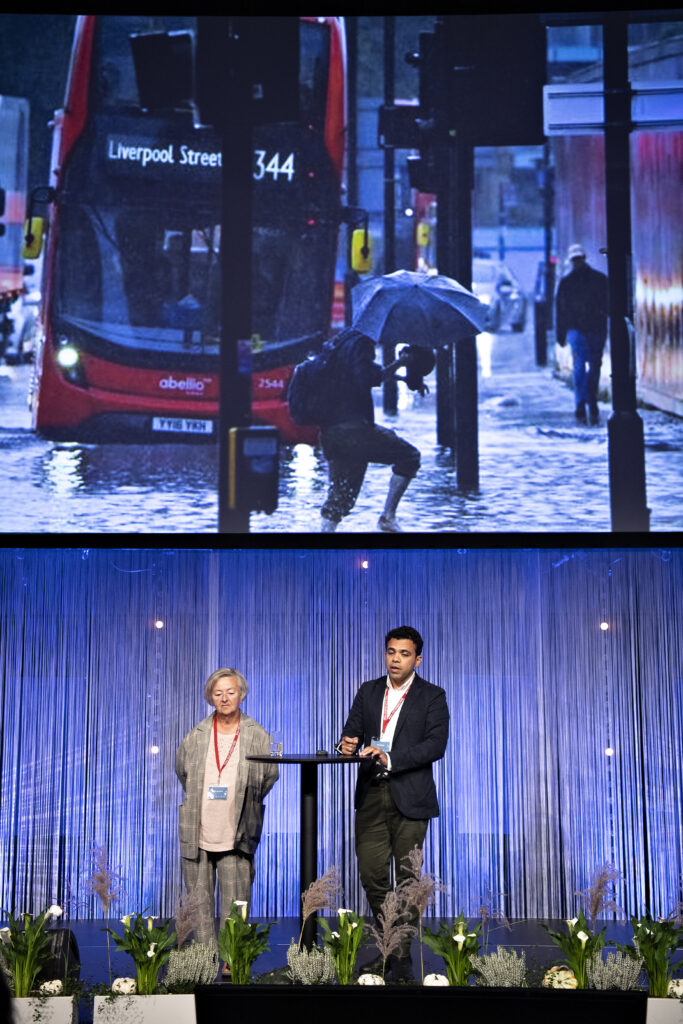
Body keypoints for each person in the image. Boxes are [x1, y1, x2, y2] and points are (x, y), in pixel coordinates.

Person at [337, 626, 449, 979]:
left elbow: (435, 746)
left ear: (417, 659)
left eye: (403, 654)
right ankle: (393, 945)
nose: (395, 659)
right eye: (390, 652)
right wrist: (346, 744)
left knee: (408, 881)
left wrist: (391, 758)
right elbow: (350, 729)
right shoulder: (368, 691)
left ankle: (397, 954)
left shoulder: (432, 695)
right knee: (371, 874)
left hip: (410, 796)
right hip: (371, 793)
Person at [175, 668, 278, 968]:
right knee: (199, 905)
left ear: (241, 694)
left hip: (237, 831)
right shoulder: (196, 735)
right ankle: (206, 961)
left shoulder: (256, 733)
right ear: (210, 697)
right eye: (218, 693)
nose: (224, 698)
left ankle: (232, 963)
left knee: (237, 904)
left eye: (230, 692)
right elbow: (182, 771)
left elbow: (269, 775)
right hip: (199, 829)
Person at [319, 328, 422, 533]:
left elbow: (355, 376)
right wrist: (400, 363)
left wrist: (400, 378)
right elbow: (367, 376)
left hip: (331, 429)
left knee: (342, 494)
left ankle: (323, 538)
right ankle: (388, 517)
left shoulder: (340, 341)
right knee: (409, 457)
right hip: (354, 430)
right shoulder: (362, 343)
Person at [555, 243, 609, 426]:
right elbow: (608, 304)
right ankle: (590, 402)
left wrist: (561, 334)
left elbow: (560, 311)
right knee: (593, 366)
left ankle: (582, 402)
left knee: (581, 365)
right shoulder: (600, 280)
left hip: (578, 328)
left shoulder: (566, 283)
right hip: (595, 328)